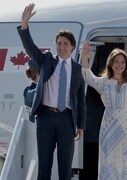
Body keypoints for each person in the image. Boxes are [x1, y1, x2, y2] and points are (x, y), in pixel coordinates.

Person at [17, 3, 86, 180]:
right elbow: (30, 47)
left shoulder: (78, 69)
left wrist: (81, 126)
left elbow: (81, 101)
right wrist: (24, 25)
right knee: (44, 165)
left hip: (66, 119)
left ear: (72, 46)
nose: (61, 47)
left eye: (65, 44)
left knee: (65, 168)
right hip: (46, 117)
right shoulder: (46, 60)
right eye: (59, 43)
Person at [81, 42, 127, 180]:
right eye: (116, 61)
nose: (119, 65)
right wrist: (85, 57)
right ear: (111, 63)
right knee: (108, 163)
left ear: (126, 64)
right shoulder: (105, 82)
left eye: (122, 62)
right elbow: (88, 77)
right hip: (108, 130)